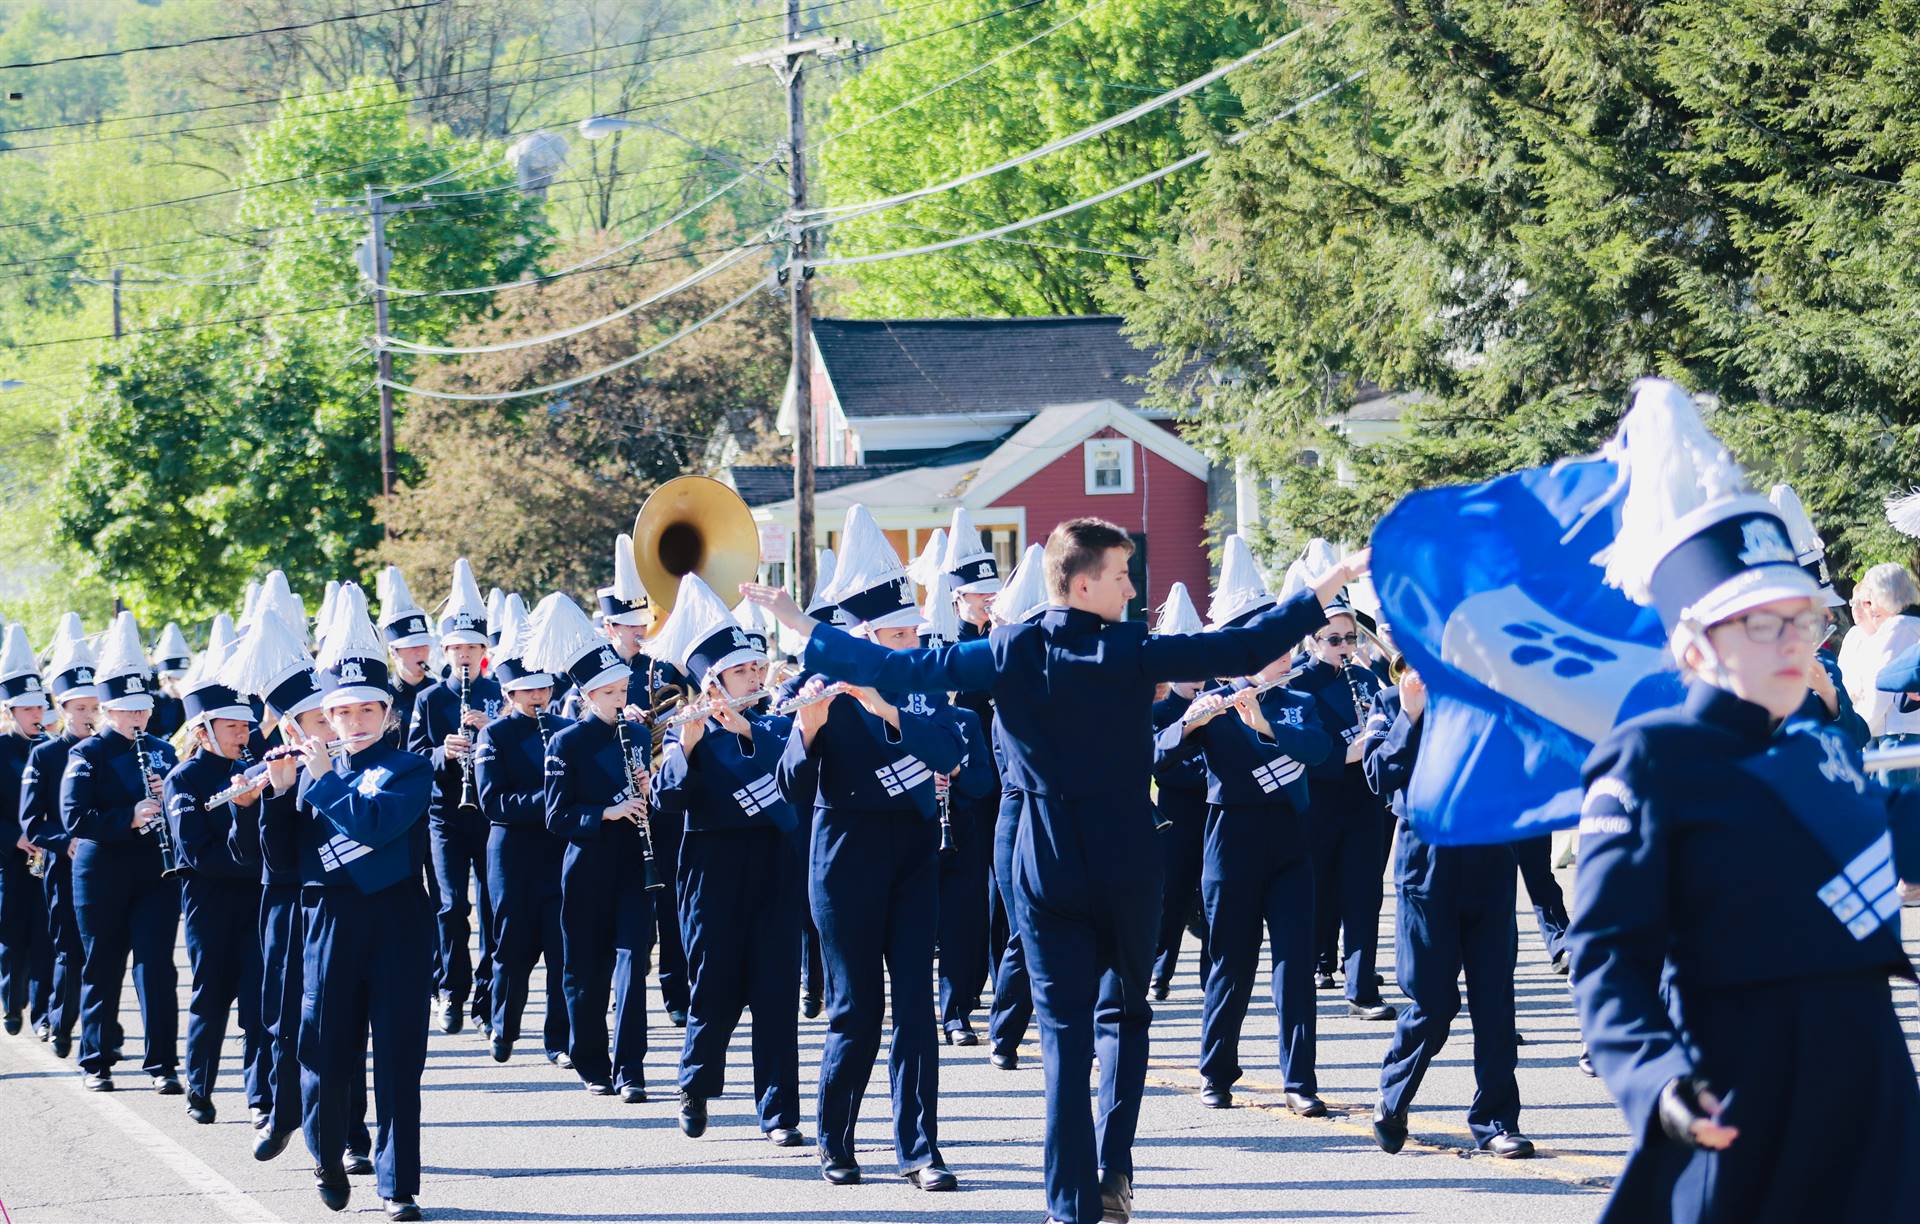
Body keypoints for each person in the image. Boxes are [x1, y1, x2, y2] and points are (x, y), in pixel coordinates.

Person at [744, 516, 1366, 1224]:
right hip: (1126, 852)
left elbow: (894, 669)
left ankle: (1069, 1204)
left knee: (1064, 1031)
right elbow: (1247, 644)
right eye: (1122, 574)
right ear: (1080, 582)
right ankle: (1114, 1172)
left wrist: (800, 622)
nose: (1133, 588)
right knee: (1124, 1018)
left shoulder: (1008, 647)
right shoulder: (1135, 650)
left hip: (1042, 856)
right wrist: (1333, 582)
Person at [1567, 380, 1919, 1221]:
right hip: (1740, 1090)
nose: (1798, 641)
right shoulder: (1650, 759)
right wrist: (1657, 1082)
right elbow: (1607, 956)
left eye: (1804, 620)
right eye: (1766, 624)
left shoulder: (1827, 751)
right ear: (1694, 644)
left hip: (1874, 1087)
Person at [771, 507, 965, 1192]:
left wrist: (889, 707)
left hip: (914, 856)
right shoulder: (813, 688)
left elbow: (950, 752)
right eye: (895, 634)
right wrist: (810, 728)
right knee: (857, 1008)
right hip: (843, 856)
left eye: (912, 631)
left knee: (916, 1004)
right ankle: (837, 1140)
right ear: (862, 638)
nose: (909, 642)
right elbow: (789, 787)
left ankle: (920, 1149)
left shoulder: (925, 689)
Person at [1156, 538, 1335, 1117]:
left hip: (1288, 841)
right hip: (1229, 841)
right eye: (1271, 647)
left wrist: (1264, 725)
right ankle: (1217, 1070)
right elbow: (1154, 757)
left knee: (1294, 963)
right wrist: (1188, 723)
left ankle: (1299, 1079)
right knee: (1230, 961)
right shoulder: (1211, 704)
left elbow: (1320, 751)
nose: (1284, 655)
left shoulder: (1296, 700)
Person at [273, 583, 433, 1221]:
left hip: (397, 920)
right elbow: (278, 860)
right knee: (326, 1051)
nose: (358, 722)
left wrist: (320, 780)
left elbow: (374, 825)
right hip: (328, 919)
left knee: (398, 1057)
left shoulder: (410, 769)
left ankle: (398, 1185)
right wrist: (279, 794)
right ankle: (327, 1155)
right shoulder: (313, 768)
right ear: (327, 718)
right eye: (345, 713)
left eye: (370, 710)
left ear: (388, 715)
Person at [648, 575, 806, 1146]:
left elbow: (795, 785)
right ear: (713, 679)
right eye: (741, 672)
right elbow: (667, 802)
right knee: (713, 989)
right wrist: (686, 747)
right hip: (710, 869)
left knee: (774, 993)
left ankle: (779, 1113)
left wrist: (749, 731)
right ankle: (695, 1086)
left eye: (756, 669)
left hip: (773, 865)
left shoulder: (778, 724)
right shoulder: (684, 733)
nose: (754, 678)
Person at [1362, 664, 1534, 1157]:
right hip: (1427, 863)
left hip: (1489, 855)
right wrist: (1410, 716)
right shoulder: (1391, 702)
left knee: (1495, 1001)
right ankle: (1393, 1098)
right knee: (1434, 1003)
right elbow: (1378, 774)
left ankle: (1496, 1120)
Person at [224, 607, 373, 1168]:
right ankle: (285, 1112)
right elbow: (253, 858)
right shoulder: (274, 768)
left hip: (342, 908)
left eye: (330, 718)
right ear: (290, 728)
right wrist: (255, 805)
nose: (329, 731)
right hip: (286, 908)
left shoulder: (354, 766)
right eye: (316, 722)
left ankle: (353, 1136)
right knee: (286, 1020)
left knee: (344, 1026)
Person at [529, 592, 657, 1103]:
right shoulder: (565, 743)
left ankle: (631, 1068)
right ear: (588, 695)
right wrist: (605, 812)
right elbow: (555, 816)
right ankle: (592, 1062)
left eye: (623, 689)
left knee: (633, 964)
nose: (620, 699)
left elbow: (656, 802)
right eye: (610, 692)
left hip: (632, 865)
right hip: (586, 866)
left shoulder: (637, 737)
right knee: (585, 968)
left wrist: (648, 791)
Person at [59, 611, 181, 1094]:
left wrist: (167, 799)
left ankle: (163, 1063)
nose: (138, 717)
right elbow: (76, 819)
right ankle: (97, 1059)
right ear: (108, 710)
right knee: (103, 963)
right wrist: (128, 816)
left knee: (157, 966)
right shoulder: (85, 754)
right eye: (128, 710)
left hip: (153, 870)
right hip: (102, 870)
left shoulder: (164, 751)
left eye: (143, 709)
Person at [162, 639, 271, 1128]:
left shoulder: (257, 769)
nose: (243, 733)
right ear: (204, 731)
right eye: (232, 726)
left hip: (256, 899)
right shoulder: (182, 779)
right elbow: (197, 852)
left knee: (258, 1001)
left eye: (246, 724)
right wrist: (242, 824)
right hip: (208, 900)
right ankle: (200, 1088)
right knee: (210, 996)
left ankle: (259, 1097)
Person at [584, 532, 690, 1027]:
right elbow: (575, 734)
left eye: (641, 624)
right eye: (627, 627)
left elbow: (683, 714)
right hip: (610, 806)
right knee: (614, 910)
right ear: (608, 626)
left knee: (668, 900)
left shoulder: (661, 668)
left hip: (657, 799)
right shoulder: (588, 675)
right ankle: (618, 989)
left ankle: (675, 989)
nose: (637, 635)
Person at [1290, 578, 1397, 1021]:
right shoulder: (1298, 683)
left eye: (1350, 638)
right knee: (1320, 892)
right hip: (1319, 801)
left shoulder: (1368, 679)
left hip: (1364, 801)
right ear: (1315, 641)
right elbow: (1298, 747)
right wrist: (1344, 753)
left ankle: (1361, 987)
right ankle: (1316, 963)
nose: (1344, 646)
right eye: (1334, 639)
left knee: (1364, 892)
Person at [474, 600, 572, 1067]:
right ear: (509, 694)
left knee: (562, 948)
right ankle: (503, 1024)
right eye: (527, 690)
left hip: (559, 850)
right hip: (512, 852)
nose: (538, 698)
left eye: (543, 688)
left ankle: (560, 1040)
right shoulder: (493, 736)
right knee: (510, 946)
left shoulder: (566, 729)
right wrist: (552, 799)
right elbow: (494, 803)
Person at [409, 558, 501, 1037]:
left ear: (484, 649)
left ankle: (487, 995)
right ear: (444, 650)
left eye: (472, 646)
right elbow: (413, 757)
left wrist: (493, 733)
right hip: (444, 811)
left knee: (491, 905)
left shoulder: (497, 691)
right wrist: (442, 751)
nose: (464, 654)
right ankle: (452, 989)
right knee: (450, 905)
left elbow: (516, 747)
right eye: (456, 647)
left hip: (487, 811)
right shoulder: (429, 699)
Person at [20, 621, 100, 1060]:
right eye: (81, 707)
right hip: (66, 865)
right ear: (63, 708)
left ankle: (96, 1035)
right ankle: (60, 1021)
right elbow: (33, 822)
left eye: (96, 705)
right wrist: (63, 840)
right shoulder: (46, 754)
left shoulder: (112, 750)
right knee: (68, 949)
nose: (90, 714)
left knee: (103, 956)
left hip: (108, 866)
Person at [1147, 583, 1211, 1000]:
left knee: (1210, 896)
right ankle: (1159, 969)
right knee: (1170, 897)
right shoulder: (1159, 710)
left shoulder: (1217, 702)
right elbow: (1160, 762)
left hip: (1213, 812)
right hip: (1175, 813)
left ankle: (1213, 973)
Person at [0, 624, 54, 1039]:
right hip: (9, 856)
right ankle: (11, 999)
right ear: (11, 711)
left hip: (46, 854)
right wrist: (13, 836)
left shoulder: (52, 749)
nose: (37, 714)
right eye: (28, 709)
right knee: (10, 933)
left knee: (45, 934)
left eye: (41, 707)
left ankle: (42, 1013)